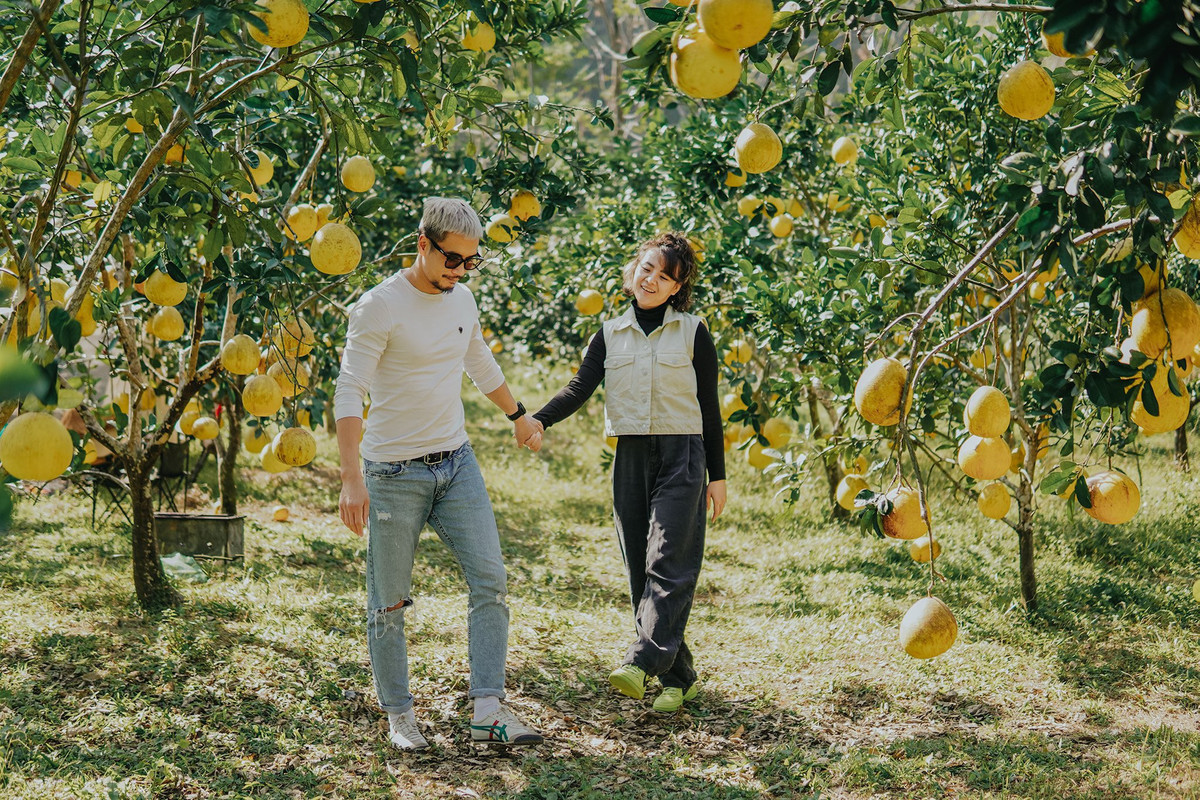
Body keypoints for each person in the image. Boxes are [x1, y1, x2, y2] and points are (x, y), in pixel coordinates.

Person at [334, 196, 544, 751]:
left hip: (456, 462)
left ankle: (487, 710)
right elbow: (350, 388)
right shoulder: (379, 306)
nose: (460, 272)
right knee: (389, 600)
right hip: (392, 473)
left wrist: (518, 416)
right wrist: (351, 477)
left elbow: (477, 358)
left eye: (471, 262)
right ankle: (399, 713)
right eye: (452, 259)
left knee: (490, 580)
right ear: (422, 244)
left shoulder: (462, 299)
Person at [526, 231, 726, 713]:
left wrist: (716, 476)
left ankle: (641, 660)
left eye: (665, 276)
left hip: (683, 453)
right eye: (646, 268)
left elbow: (709, 406)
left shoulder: (693, 331)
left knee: (668, 561)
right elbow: (579, 387)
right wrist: (539, 419)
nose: (651, 279)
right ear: (633, 269)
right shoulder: (609, 333)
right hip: (631, 457)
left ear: (678, 287)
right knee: (641, 567)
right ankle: (681, 678)